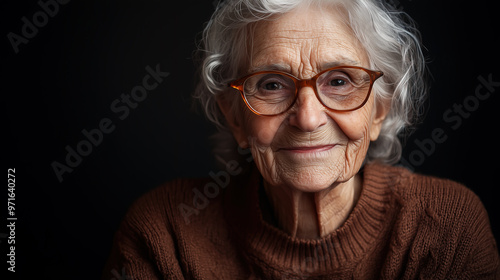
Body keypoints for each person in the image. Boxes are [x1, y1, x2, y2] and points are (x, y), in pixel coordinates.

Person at [102, 0, 500, 278]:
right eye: (272, 84)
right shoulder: (165, 233)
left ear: (379, 110)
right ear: (235, 117)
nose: (308, 119)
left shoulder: (445, 228)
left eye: (340, 81)